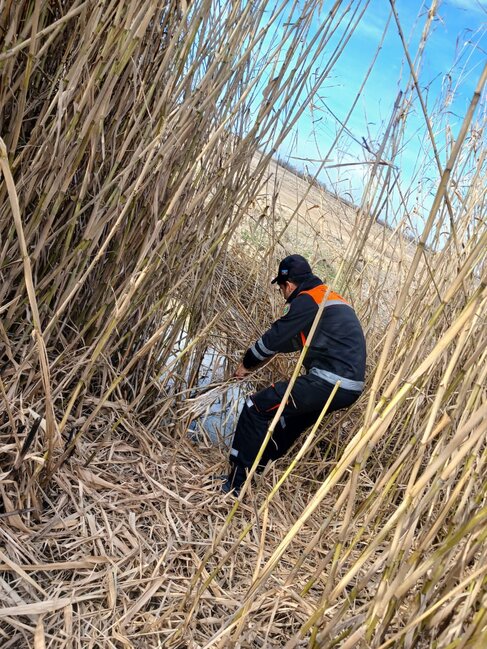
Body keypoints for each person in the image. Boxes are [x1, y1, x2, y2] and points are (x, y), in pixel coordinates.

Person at [222, 254, 366, 495]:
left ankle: (235, 484)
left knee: (255, 407)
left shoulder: (307, 301)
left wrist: (246, 364)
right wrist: (258, 362)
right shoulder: (327, 296)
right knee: (287, 421)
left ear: (288, 286)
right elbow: (286, 342)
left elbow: (273, 337)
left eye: (281, 289)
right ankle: (255, 474)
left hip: (328, 381)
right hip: (349, 387)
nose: (282, 295)